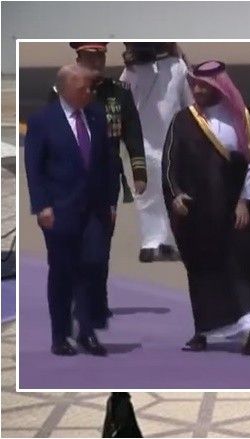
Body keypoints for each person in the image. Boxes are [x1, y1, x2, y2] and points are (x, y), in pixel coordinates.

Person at [162, 60, 250, 352]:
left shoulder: (243, 117)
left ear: (220, 86)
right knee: (201, 270)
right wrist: (176, 194)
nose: (198, 91)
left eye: (205, 86)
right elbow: (169, 163)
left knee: (240, 266)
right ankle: (204, 331)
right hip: (198, 214)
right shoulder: (183, 120)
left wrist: (243, 201)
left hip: (234, 210)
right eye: (195, 86)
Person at [51, 42, 147, 327]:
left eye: (100, 56)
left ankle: (96, 302)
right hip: (69, 183)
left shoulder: (119, 93)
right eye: (90, 56)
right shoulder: (60, 93)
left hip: (105, 182)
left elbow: (133, 133)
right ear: (79, 57)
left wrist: (139, 172)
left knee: (100, 244)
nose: (96, 62)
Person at [25, 64, 117, 356]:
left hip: (95, 210)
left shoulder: (97, 115)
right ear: (65, 89)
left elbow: (108, 162)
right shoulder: (43, 121)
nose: (89, 92)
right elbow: (34, 168)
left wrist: (111, 201)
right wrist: (41, 206)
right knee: (63, 272)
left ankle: (87, 331)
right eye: (83, 88)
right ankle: (60, 335)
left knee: (93, 266)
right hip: (59, 210)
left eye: (90, 88)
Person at [121, 42, 192, 263]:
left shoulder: (131, 71)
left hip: (147, 146)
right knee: (163, 194)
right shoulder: (176, 67)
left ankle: (153, 244)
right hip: (163, 145)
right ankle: (162, 243)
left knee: (151, 196)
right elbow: (189, 104)